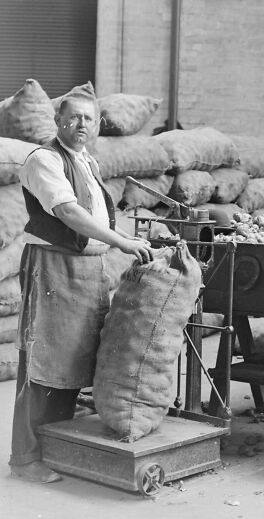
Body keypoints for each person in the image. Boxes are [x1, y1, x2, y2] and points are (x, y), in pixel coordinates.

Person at [9, 91, 154, 483]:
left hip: (89, 270)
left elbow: (97, 217)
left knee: (74, 361)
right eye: (74, 119)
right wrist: (122, 243)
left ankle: (55, 449)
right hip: (54, 268)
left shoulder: (87, 161)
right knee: (44, 365)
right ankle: (25, 459)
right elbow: (68, 212)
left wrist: (128, 239)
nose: (82, 126)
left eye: (89, 120)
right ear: (58, 120)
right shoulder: (45, 160)